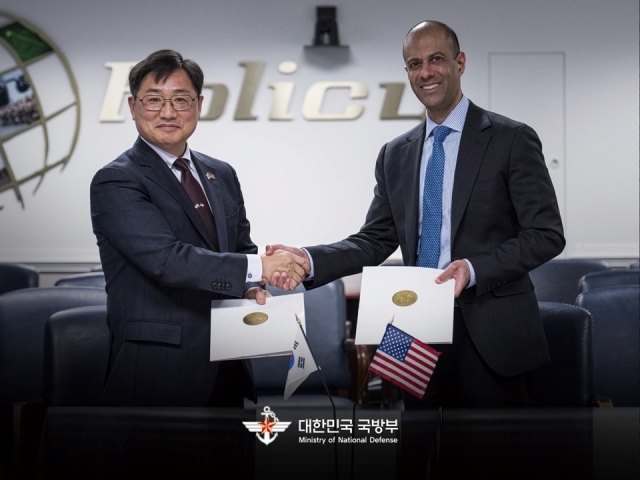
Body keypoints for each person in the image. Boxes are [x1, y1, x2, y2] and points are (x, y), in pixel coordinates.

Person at [267, 21, 565, 408]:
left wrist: (472, 269)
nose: (425, 72)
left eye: (436, 59)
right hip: (411, 327)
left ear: (460, 62)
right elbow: (374, 240)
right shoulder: (396, 153)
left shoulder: (511, 139)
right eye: (414, 63)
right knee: (416, 453)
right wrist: (308, 259)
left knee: (491, 457)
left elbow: (546, 233)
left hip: (491, 331)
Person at [90, 49, 307, 407]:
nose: (168, 112)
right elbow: (167, 260)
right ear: (132, 107)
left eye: (181, 99)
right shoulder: (117, 180)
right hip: (157, 368)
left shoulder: (220, 173)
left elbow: (240, 248)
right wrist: (260, 268)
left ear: (199, 104)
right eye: (154, 100)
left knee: (232, 463)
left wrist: (251, 288)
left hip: (228, 362)